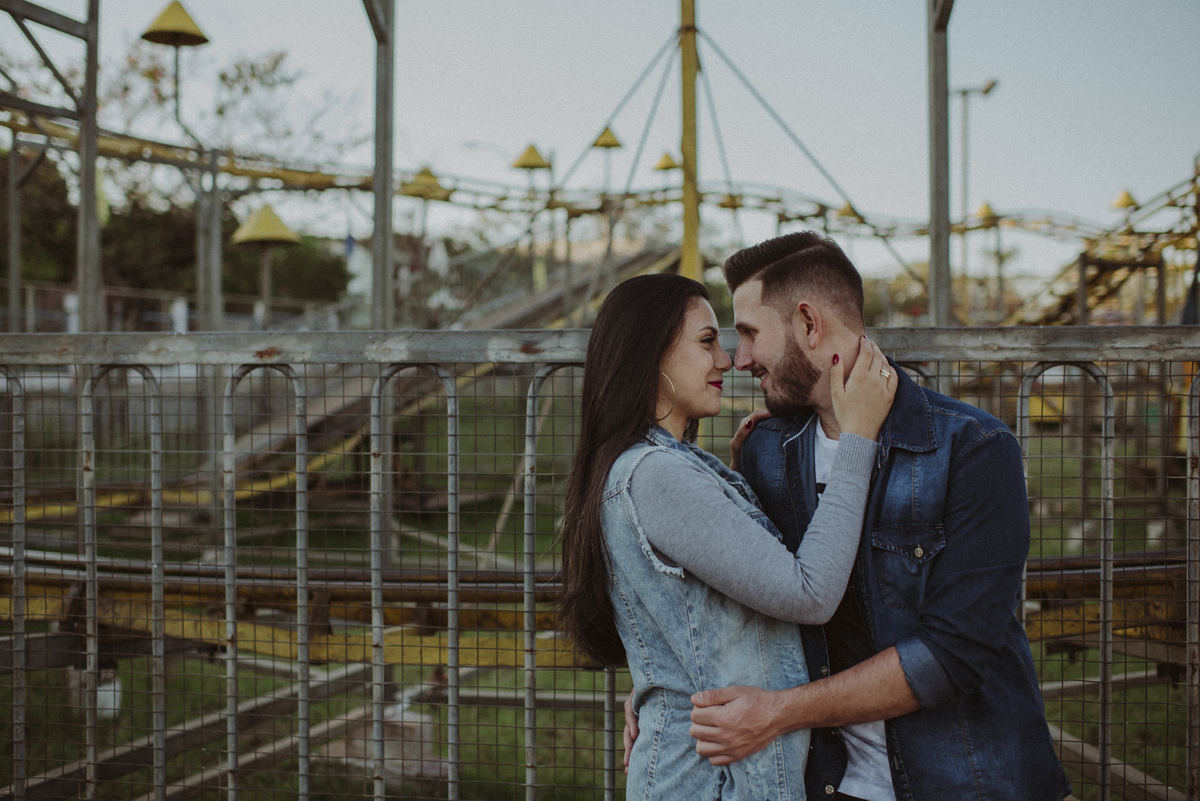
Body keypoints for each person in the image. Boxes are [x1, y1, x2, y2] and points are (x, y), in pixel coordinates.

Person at [673, 231, 1070, 801]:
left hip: (970, 782)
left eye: (753, 334)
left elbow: (951, 655)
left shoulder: (974, 449)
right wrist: (665, 701)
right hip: (830, 783)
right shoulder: (766, 450)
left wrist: (779, 713)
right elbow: (744, 608)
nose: (741, 359)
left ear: (809, 324)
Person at [558, 272, 895, 800]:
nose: (726, 360)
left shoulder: (669, 467)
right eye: (706, 341)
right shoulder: (656, 476)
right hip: (707, 781)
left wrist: (739, 485)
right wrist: (858, 438)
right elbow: (810, 593)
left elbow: (693, 625)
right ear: (651, 357)